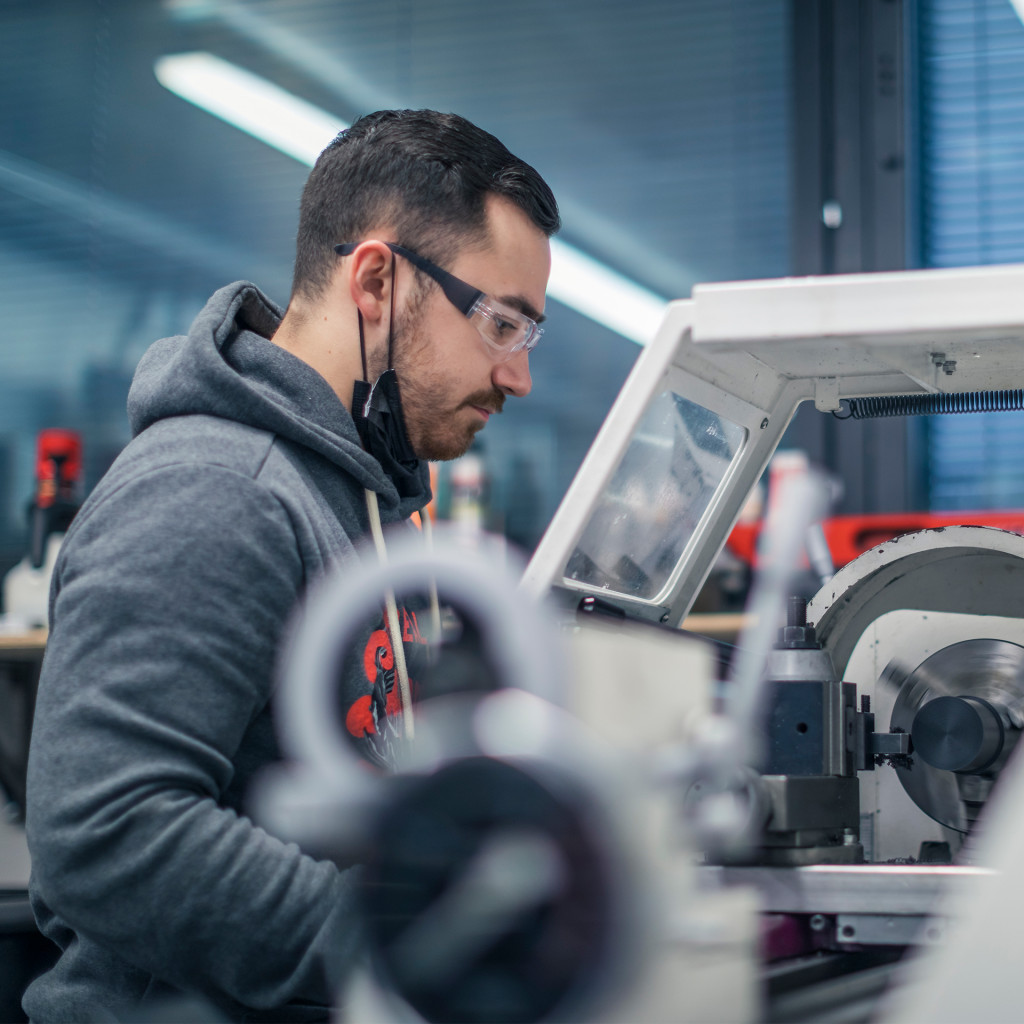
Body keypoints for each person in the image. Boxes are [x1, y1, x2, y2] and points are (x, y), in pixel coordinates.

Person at [22, 109, 559, 1022]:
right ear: (379, 281)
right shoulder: (219, 488)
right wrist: (410, 940)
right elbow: (105, 832)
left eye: (527, 334)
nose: (519, 377)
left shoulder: (363, 498)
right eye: (500, 323)